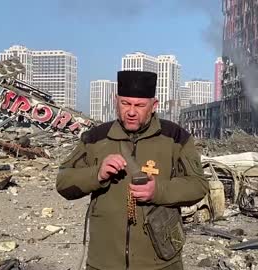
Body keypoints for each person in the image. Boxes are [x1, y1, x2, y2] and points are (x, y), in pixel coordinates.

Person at [56, 71, 209, 270]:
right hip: (104, 261)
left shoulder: (176, 138)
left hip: (160, 261)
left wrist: (158, 191)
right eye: (125, 103)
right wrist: (97, 174)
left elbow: (198, 185)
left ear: (153, 106)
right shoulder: (95, 138)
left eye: (139, 105)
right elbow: (63, 182)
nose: (131, 111)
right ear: (115, 101)